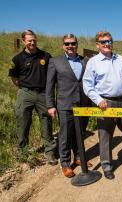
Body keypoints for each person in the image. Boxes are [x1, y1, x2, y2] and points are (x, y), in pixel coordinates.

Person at [83, 31, 122, 180]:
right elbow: (87, 85)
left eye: (109, 41)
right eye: (103, 42)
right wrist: (98, 100)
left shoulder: (120, 59)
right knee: (105, 134)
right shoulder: (93, 62)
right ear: (98, 45)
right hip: (104, 102)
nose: (107, 44)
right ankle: (106, 165)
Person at [46, 34, 93, 178]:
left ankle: (79, 157)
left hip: (83, 103)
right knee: (65, 134)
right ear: (63, 46)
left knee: (80, 132)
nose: (70, 46)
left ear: (77, 44)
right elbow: (49, 85)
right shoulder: (55, 61)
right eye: (67, 44)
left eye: (73, 43)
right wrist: (50, 105)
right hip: (65, 104)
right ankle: (65, 163)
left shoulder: (85, 60)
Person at [9, 30, 57, 165]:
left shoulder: (46, 56)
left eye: (34, 40)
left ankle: (50, 152)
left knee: (46, 122)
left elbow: (52, 76)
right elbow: (14, 78)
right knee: (23, 122)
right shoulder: (17, 59)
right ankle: (22, 152)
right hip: (25, 93)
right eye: (29, 40)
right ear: (24, 41)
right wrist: (23, 89)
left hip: (42, 93)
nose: (32, 42)